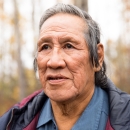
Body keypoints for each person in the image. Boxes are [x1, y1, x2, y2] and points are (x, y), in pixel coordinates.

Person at [0, 3, 130, 130]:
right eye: (45, 47)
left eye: (69, 46)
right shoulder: (11, 122)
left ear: (98, 57)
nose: (54, 62)